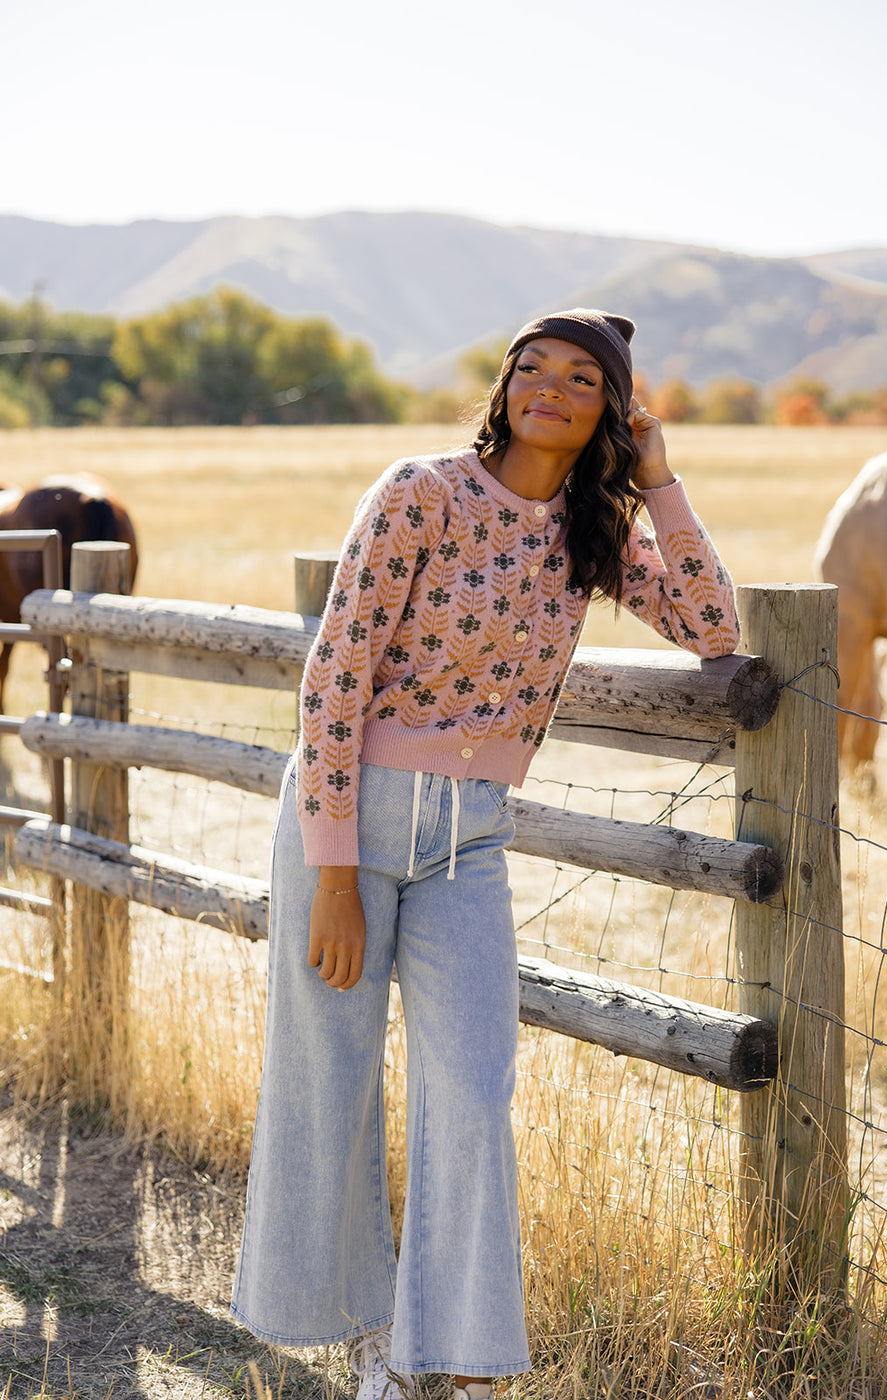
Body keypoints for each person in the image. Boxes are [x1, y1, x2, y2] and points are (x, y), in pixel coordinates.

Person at [230, 309, 740, 1399]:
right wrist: (330, 871)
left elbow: (712, 625)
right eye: (531, 368)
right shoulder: (421, 490)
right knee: (331, 1082)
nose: (549, 388)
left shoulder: (592, 532)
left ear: (612, 408)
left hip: (470, 840)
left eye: (582, 379)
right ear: (504, 385)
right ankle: (370, 1330)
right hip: (349, 825)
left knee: (469, 1087)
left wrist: (658, 478)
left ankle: (442, 1355)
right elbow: (333, 680)